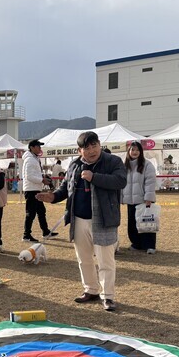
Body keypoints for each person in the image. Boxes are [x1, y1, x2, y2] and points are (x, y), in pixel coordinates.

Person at [37, 131, 126, 312]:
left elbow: (120, 181)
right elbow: (65, 188)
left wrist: (94, 177)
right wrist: (52, 197)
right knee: (83, 259)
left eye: (94, 145)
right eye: (87, 147)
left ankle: (108, 296)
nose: (92, 150)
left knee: (106, 261)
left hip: (103, 219)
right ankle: (91, 290)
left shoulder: (112, 162)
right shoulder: (75, 165)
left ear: (100, 145)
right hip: (78, 218)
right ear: (80, 150)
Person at [122, 141, 157, 255]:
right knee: (132, 224)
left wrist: (148, 198)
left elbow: (150, 182)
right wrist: (121, 197)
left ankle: (150, 245)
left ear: (141, 152)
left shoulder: (147, 165)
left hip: (143, 200)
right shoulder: (124, 166)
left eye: (137, 150)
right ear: (129, 151)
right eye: (132, 150)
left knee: (147, 223)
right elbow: (121, 182)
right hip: (130, 201)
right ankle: (136, 243)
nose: (135, 152)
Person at [22, 139, 57, 242]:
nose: (40, 148)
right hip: (31, 189)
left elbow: (33, 175)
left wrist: (43, 178)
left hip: (35, 189)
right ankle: (26, 235)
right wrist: (42, 180)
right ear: (32, 147)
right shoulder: (30, 159)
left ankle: (45, 231)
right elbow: (29, 176)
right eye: (38, 146)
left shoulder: (34, 158)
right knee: (31, 213)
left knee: (41, 211)